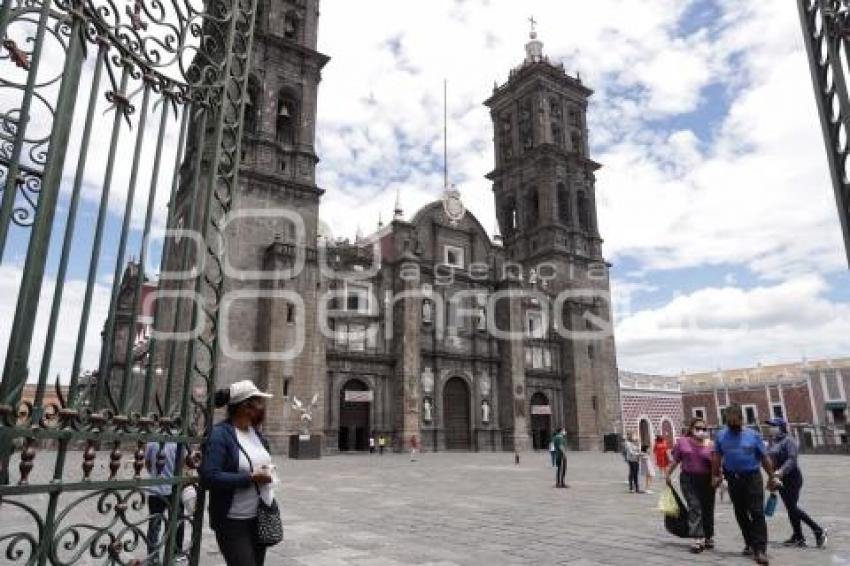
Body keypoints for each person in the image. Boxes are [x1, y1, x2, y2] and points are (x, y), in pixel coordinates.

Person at [201, 380, 276, 566]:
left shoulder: (256, 434)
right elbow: (209, 476)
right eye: (259, 402)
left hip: (259, 516)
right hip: (232, 521)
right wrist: (250, 478)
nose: (263, 408)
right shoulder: (221, 434)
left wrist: (267, 472)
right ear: (245, 407)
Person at [712, 405, 778, 566]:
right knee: (740, 512)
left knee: (756, 512)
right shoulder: (720, 436)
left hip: (753, 477)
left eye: (734, 421)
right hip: (733, 478)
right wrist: (716, 475)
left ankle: (760, 549)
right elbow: (717, 456)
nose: (732, 424)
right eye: (729, 421)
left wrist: (772, 477)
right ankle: (750, 543)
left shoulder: (753, 435)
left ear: (741, 419)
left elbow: (764, 458)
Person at [764, 418, 827, 548]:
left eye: (773, 425)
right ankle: (798, 536)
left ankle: (818, 530)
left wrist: (781, 471)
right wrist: (771, 478)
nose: (770, 428)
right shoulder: (773, 442)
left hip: (792, 478)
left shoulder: (789, 440)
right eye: (770, 426)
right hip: (779, 478)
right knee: (790, 508)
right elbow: (770, 460)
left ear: (781, 427)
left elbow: (792, 459)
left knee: (792, 507)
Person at [666, 418, 715, 554]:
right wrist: (668, 474)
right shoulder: (683, 442)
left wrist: (718, 478)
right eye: (698, 428)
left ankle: (708, 535)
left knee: (708, 507)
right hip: (688, 479)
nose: (701, 431)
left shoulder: (711, 444)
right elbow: (676, 460)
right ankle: (697, 538)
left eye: (704, 429)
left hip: (707, 479)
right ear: (691, 428)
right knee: (695, 506)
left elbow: (717, 464)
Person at [144, 441, 185, 564]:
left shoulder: (152, 442)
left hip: (156, 490)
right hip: (174, 489)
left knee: (154, 525)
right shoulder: (179, 442)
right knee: (178, 522)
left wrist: (154, 474)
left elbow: (147, 463)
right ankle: (176, 553)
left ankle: (152, 556)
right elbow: (185, 463)